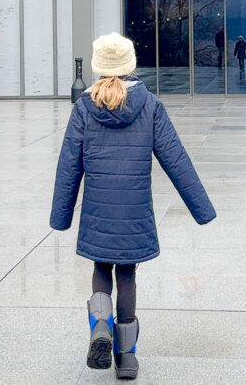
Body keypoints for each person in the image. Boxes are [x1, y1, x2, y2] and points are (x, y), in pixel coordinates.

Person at [50, 32, 216, 380]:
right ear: (131, 65)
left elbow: (69, 165)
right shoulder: (151, 105)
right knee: (127, 272)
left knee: (101, 267)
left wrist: (61, 216)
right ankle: (126, 356)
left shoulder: (83, 107)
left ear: (98, 67)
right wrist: (202, 209)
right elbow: (176, 159)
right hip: (135, 210)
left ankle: (100, 325)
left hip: (99, 209)